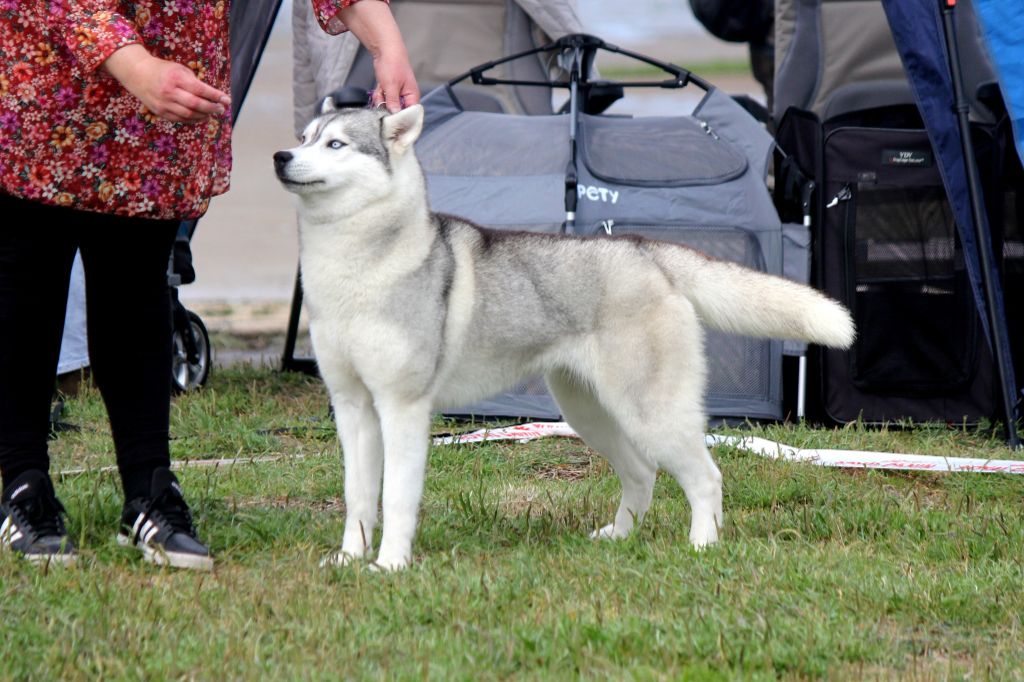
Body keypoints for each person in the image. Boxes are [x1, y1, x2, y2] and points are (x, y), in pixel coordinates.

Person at [0, 0, 419, 569]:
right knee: (28, 287)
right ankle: (23, 488)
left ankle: (149, 494)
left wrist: (385, 42)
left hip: (164, 96)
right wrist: (136, 66)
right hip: (48, 84)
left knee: (138, 288)